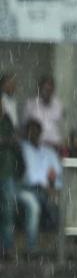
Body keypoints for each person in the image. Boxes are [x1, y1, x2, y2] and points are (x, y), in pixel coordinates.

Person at [17, 119, 62, 256]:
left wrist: (54, 187)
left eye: (36, 130)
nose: (33, 133)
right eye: (30, 130)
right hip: (26, 188)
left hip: (49, 189)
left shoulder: (49, 152)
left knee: (61, 204)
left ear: (40, 132)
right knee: (34, 205)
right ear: (25, 132)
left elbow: (58, 175)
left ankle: (60, 247)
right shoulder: (21, 148)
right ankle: (32, 248)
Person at [0, 74, 23, 260]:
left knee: (7, 210)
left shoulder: (8, 119)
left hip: (7, 169)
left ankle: (7, 248)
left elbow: (15, 140)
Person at [24, 75, 65, 151]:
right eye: (45, 89)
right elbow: (26, 126)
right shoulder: (31, 104)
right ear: (40, 88)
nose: (48, 92)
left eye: (50, 89)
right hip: (37, 145)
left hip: (55, 145)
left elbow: (62, 127)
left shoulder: (59, 105)